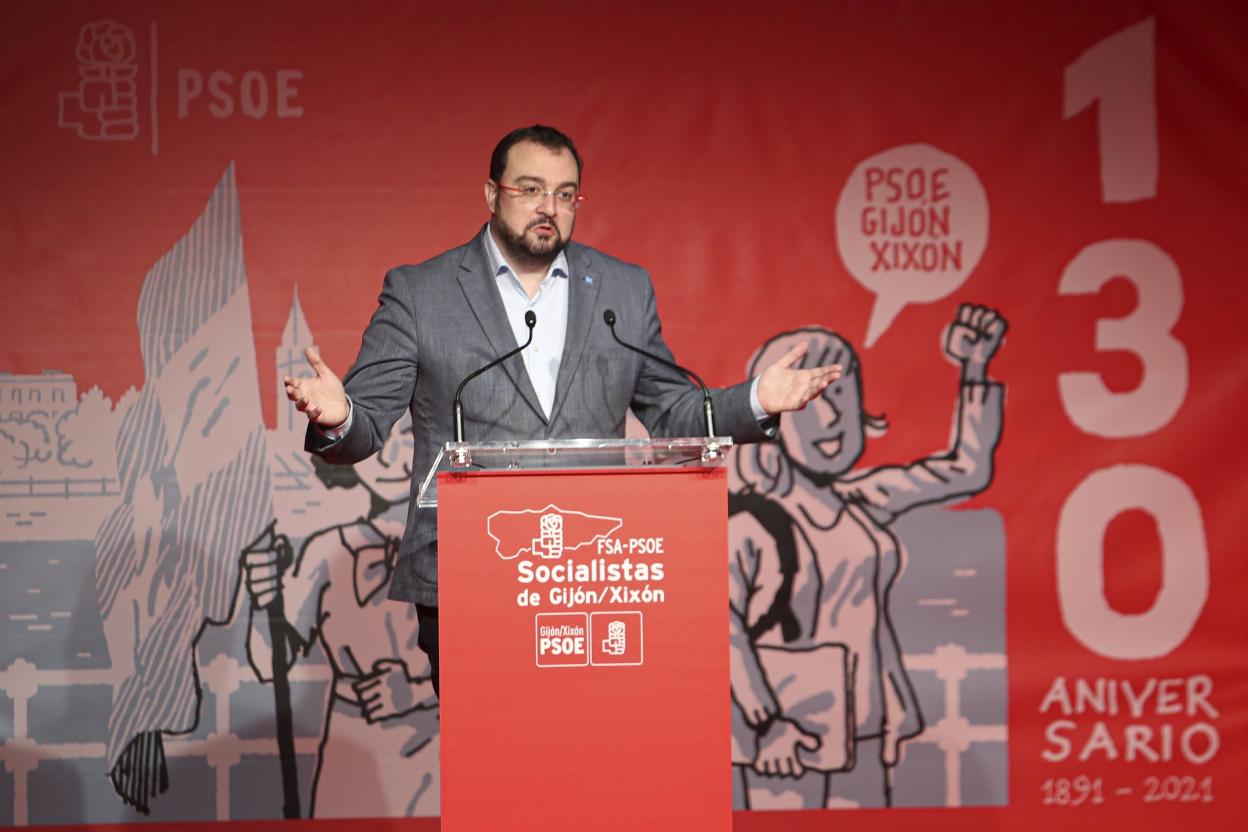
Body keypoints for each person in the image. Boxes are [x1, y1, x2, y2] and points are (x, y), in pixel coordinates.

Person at [284, 125, 842, 692]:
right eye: (529, 189)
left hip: (594, 581)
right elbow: (367, 426)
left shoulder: (623, 289)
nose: (548, 207)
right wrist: (340, 416)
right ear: (491, 194)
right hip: (470, 577)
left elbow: (671, 410)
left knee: (585, 764)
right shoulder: (420, 293)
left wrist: (755, 400)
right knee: (495, 766)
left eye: (565, 193)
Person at [728, 306, 1005, 809]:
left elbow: (967, 468)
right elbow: (723, 631)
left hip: (869, 728)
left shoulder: (860, 498)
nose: (832, 417)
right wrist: (765, 722)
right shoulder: (750, 523)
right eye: (811, 399)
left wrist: (974, 370)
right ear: (773, 413)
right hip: (792, 737)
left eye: (840, 394)